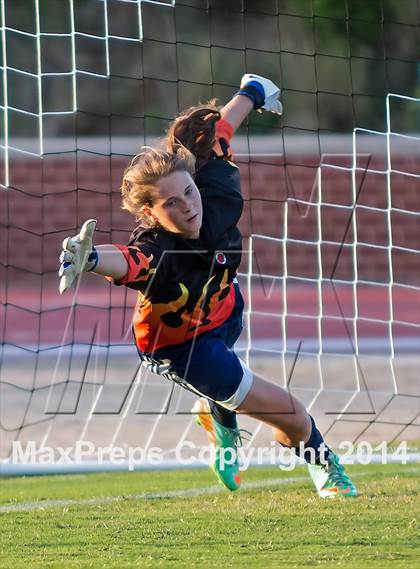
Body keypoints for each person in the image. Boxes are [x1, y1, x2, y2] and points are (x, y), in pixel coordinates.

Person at [59, 73, 357, 498]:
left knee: (237, 378)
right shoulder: (158, 251)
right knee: (291, 416)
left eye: (187, 192)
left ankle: (217, 412)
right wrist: (89, 258)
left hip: (225, 309)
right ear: (149, 212)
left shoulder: (214, 188)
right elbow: (126, 264)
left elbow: (215, 133)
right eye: (171, 204)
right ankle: (327, 469)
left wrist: (251, 93)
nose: (187, 206)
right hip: (182, 348)